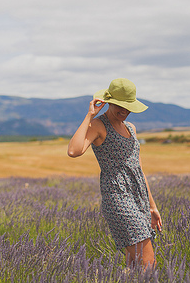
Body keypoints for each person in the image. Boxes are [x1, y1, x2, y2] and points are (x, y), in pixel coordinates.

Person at [67, 78, 162, 269]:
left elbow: (139, 170)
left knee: (135, 265)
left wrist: (152, 206)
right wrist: (89, 116)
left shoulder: (131, 128)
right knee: (148, 264)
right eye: (119, 105)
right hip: (118, 196)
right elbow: (73, 151)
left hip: (139, 197)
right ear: (109, 102)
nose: (124, 111)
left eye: (128, 107)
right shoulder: (98, 125)